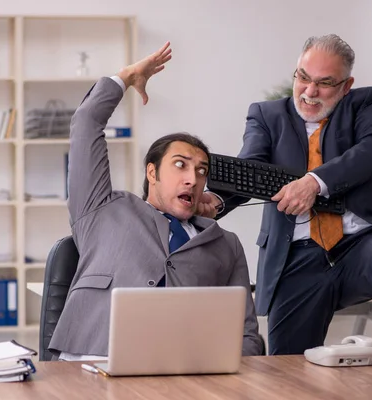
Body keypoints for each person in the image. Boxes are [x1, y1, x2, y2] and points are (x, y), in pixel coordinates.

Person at [201, 34, 372, 355]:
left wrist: (314, 182)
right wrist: (217, 201)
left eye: (325, 83)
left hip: (360, 248)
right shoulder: (267, 115)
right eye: (303, 77)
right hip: (295, 258)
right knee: (286, 364)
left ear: (346, 85)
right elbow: (251, 166)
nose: (310, 92)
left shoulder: (365, 104)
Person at [48, 42, 264, 360]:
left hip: (183, 369)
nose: (192, 177)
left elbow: (246, 334)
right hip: (91, 361)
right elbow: (86, 123)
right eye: (180, 165)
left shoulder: (224, 244)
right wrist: (125, 77)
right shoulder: (102, 207)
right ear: (152, 172)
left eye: (201, 170)